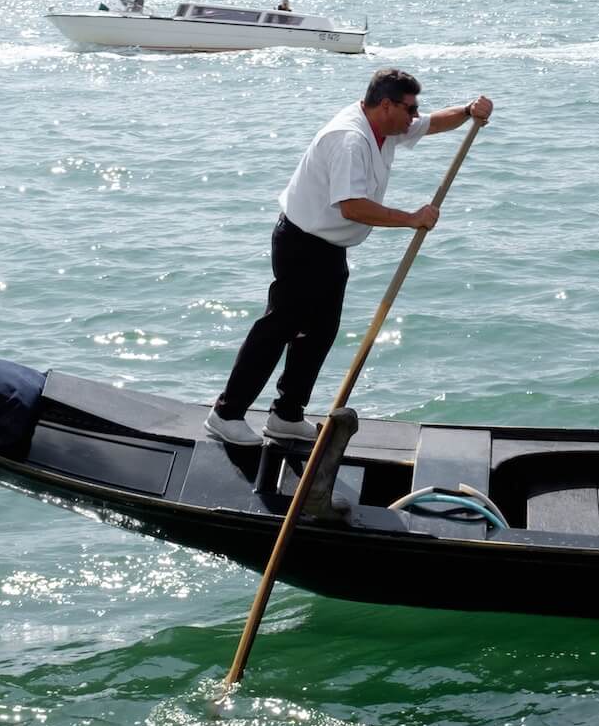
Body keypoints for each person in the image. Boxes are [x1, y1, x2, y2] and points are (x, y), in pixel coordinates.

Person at [205, 69, 494, 446]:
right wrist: (411, 218)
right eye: (410, 108)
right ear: (386, 105)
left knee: (320, 331)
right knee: (279, 327)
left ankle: (286, 415)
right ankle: (226, 413)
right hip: (301, 242)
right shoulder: (349, 140)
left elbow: (433, 123)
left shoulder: (388, 126)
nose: (414, 115)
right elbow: (352, 207)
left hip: (329, 248)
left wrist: (469, 111)